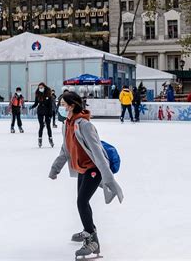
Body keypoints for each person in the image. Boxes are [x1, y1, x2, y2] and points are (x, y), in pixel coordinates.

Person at [49, 91, 123, 259]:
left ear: (72, 106)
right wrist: (55, 169)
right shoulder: (66, 124)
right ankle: (89, 231)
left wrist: (108, 178)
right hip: (82, 168)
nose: (60, 107)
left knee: (81, 201)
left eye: (63, 105)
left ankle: (92, 240)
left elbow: (98, 152)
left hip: (93, 168)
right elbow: (65, 149)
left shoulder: (84, 125)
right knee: (82, 201)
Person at [30, 82, 54, 147]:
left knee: (48, 126)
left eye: (42, 87)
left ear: (44, 87)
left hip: (47, 111)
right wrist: (32, 106)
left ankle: (50, 138)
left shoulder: (48, 94)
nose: (40, 88)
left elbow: (50, 105)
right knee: (41, 126)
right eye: (39, 87)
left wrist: (50, 114)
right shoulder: (38, 94)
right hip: (40, 111)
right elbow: (36, 103)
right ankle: (40, 139)